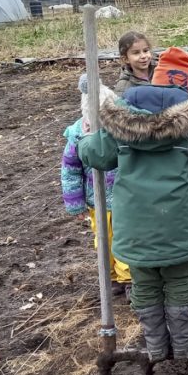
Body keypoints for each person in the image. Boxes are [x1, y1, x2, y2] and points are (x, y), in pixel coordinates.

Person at [78, 48, 188, 362]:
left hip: (133, 229)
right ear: (187, 89)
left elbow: (96, 155)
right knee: (179, 280)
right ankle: (183, 342)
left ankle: (154, 343)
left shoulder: (121, 119)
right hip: (176, 225)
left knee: (145, 281)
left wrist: (87, 135)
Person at [60, 75, 132, 294]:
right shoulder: (78, 134)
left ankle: (129, 279)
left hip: (124, 198)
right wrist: (75, 203)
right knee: (103, 240)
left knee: (126, 238)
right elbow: (70, 169)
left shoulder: (122, 131)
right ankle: (110, 277)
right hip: (97, 201)